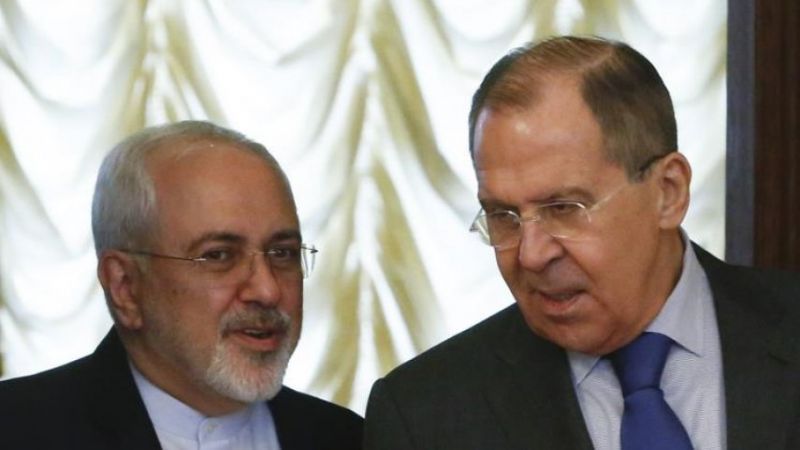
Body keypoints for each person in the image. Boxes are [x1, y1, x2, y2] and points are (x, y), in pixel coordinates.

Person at [363, 36, 800, 450]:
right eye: (502, 215)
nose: (532, 254)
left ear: (668, 192)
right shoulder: (426, 416)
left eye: (563, 208)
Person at [0, 121, 363, 449]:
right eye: (219, 256)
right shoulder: (17, 429)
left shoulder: (351, 438)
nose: (268, 291)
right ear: (125, 287)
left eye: (282, 253)